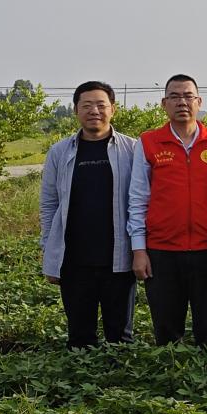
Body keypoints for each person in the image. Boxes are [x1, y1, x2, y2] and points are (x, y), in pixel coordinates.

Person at [127, 74, 207, 348]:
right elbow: (138, 199)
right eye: (174, 97)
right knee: (167, 334)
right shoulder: (149, 142)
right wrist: (139, 250)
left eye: (188, 96)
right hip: (162, 252)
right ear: (164, 104)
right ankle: (170, 375)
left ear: (199, 102)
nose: (182, 102)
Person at [39, 81, 138, 348]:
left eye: (101, 105)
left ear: (113, 109)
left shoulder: (132, 149)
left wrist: (141, 249)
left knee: (120, 338)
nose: (94, 111)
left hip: (119, 259)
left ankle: (117, 376)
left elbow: (141, 202)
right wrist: (49, 250)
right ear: (76, 110)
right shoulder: (59, 151)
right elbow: (49, 204)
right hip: (74, 260)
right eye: (87, 105)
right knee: (79, 338)